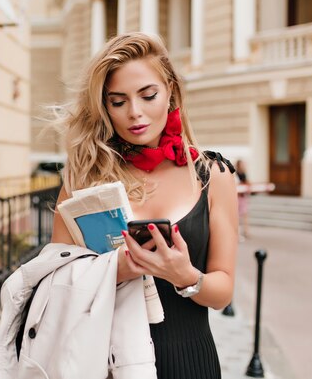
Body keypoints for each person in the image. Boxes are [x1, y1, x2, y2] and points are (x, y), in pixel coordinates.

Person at [50, 32, 239, 379]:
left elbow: (222, 292)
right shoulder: (83, 178)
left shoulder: (212, 176)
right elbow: (55, 278)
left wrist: (185, 276)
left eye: (148, 95)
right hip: (105, 365)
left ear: (170, 91)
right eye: (118, 102)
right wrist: (117, 270)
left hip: (189, 361)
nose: (134, 113)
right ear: (104, 107)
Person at [235, 159, 250, 239]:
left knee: (245, 214)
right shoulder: (236, 173)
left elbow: (246, 182)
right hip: (238, 196)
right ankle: (237, 232)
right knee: (237, 215)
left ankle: (246, 231)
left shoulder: (244, 173)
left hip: (243, 196)